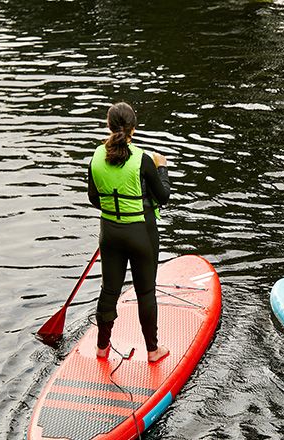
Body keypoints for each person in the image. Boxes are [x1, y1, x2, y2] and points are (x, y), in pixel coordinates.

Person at [87, 102, 170, 362]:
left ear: (108, 124)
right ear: (133, 128)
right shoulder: (144, 159)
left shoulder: (96, 157)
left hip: (110, 234)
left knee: (109, 291)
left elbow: (93, 198)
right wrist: (162, 168)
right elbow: (163, 197)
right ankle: (153, 351)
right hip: (140, 234)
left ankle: (101, 348)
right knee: (145, 292)